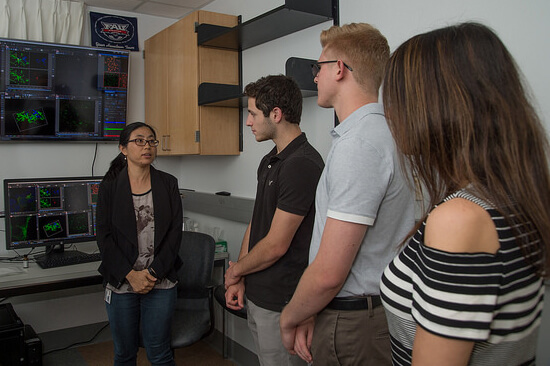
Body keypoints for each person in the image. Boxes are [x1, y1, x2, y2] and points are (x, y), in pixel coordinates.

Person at [379, 22, 550, 365]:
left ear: (437, 106)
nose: (390, 114)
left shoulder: (461, 219)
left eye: (398, 99)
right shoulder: (511, 197)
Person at [280, 23, 415, 365]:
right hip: (367, 313)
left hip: (355, 323)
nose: (314, 77)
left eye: (318, 67)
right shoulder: (387, 131)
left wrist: (290, 316)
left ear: (338, 69)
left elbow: (328, 274)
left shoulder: (359, 145)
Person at [224, 75, 324, 366]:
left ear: (276, 114)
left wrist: (234, 271)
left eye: (253, 113)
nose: (248, 121)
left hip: (283, 300)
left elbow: (277, 244)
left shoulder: (301, 164)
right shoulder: (271, 160)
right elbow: (257, 224)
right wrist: (240, 276)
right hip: (257, 292)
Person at [97, 122, 183, 366]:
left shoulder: (168, 183)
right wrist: (130, 275)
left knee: (159, 352)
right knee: (124, 354)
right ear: (123, 148)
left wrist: (152, 273)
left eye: (151, 141)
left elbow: (175, 235)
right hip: (122, 282)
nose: (147, 146)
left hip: (160, 279)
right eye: (139, 140)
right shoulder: (110, 186)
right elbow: (103, 237)